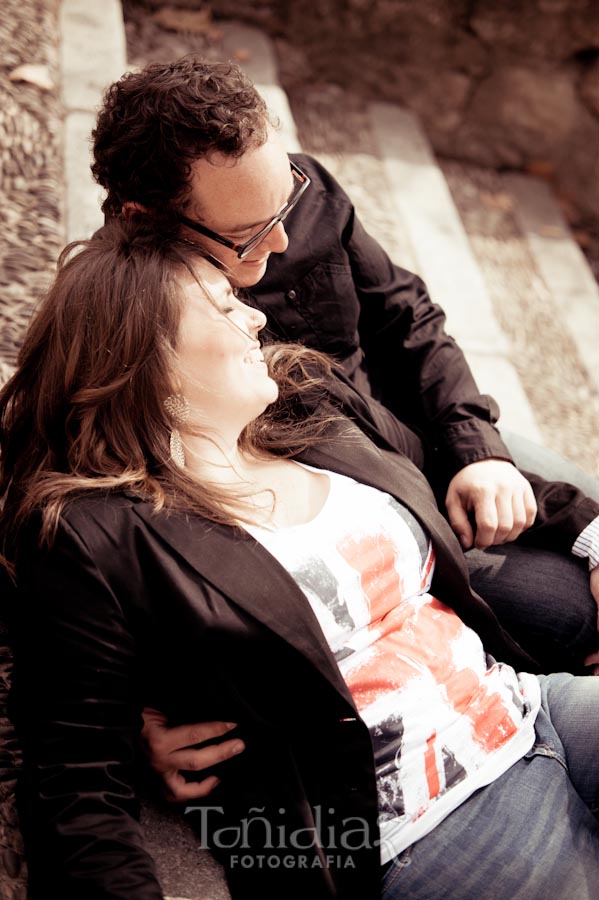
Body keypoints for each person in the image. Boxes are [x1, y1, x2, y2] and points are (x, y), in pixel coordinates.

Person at [1, 220, 599, 900]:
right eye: (223, 306)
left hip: (532, 707)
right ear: (150, 355)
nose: (254, 312)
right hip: (429, 825)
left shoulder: (307, 404)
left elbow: (446, 467)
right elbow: (74, 785)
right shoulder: (96, 538)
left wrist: (591, 533)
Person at [88, 59, 599, 795]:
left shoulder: (300, 188)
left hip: (424, 434)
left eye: (282, 202)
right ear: (145, 218)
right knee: (563, 611)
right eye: (247, 234)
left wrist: (475, 447)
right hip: (374, 514)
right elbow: (84, 537)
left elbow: (407, 317)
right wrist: (134, 714)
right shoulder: (123, 324)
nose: (284, 245)